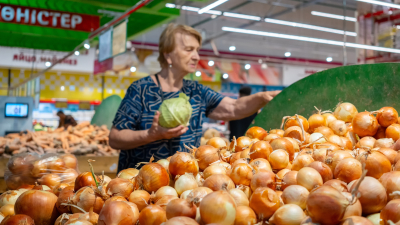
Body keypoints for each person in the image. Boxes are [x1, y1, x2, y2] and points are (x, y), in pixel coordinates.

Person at [109, 24, 280, 172]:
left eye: (197, 50)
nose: (197, 56)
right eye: (189, 50)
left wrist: (261, 97)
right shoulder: (141, 89)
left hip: (184, 185)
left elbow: (234, 107)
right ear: (168, 55)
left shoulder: (196, 91)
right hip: (141, 185)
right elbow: (115, 138)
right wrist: (150, 135)